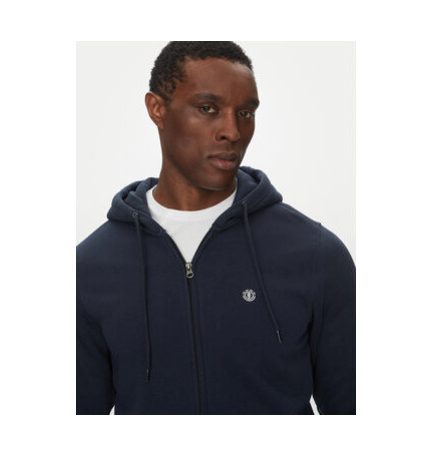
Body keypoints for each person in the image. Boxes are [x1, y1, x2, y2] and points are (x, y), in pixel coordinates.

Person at [76, 41, 356, 415]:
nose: (233, 131)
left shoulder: (316, 255)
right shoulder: (91, 268)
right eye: (208, 109)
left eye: (245, 113)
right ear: (157, 109)